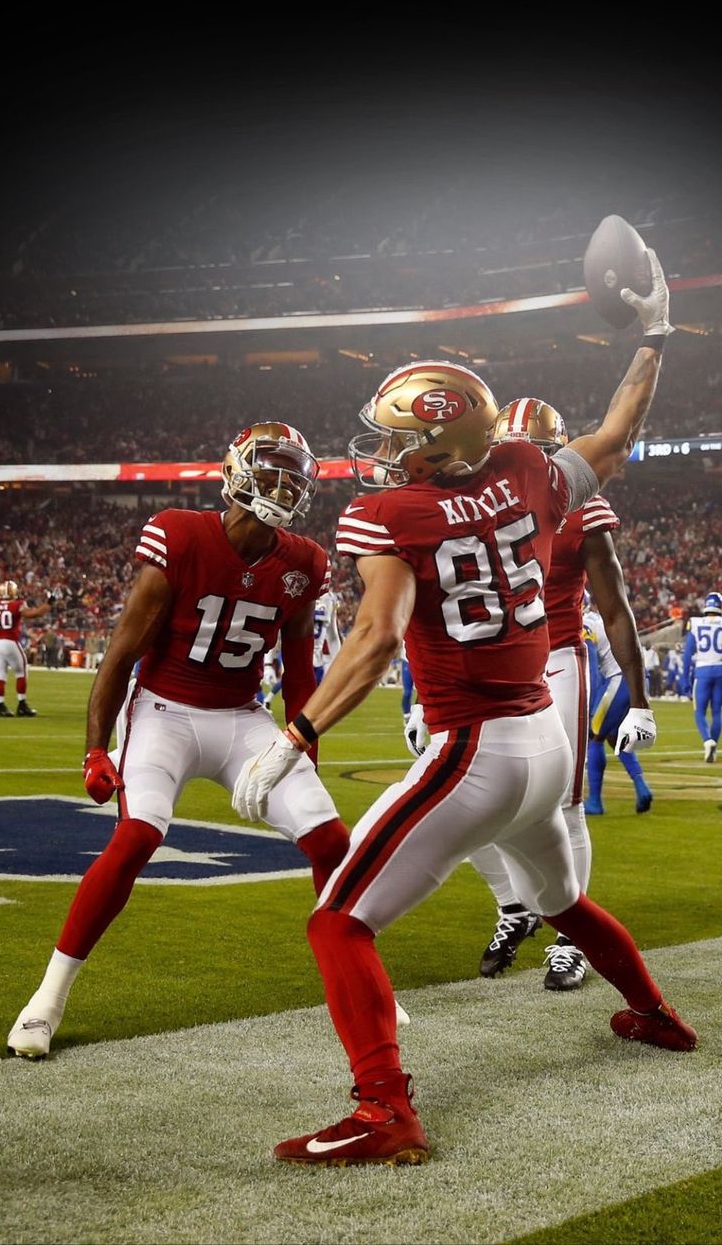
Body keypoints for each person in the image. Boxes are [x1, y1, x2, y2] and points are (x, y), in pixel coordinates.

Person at [233, 253, 696, 1169]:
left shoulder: (387, 513)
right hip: (544, 744)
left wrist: (295, 737)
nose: (381, 451)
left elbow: (372, 640)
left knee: (338, 922)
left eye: (398, 437)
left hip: (474, 750)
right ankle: (654, 1014)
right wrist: (653, 336)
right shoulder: (529, 469)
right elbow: (614, 432)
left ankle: (383, 1113)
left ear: (440, 445)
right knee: (561, 898)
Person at [7, 423, 350, 1059]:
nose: (281, 486)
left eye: (292, 477)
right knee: (138, 834)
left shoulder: (305, 560)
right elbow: (121, 652)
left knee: (331, 838)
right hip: (164, 710)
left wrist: (303, 750)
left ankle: (357, 983)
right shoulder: (180, 532)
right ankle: (47, 1000)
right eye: (269, 471)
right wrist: (94, 748)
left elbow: (301, 672)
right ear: (236, 471)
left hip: (244, 718)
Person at [468, 397, 649, 991]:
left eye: (541, 453)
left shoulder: (582, 507)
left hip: (556, 658)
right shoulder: (476, 506)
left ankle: (572, 939)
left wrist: (640, 699)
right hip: (490, 661)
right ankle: (514, 905)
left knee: (563, 805)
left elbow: (616, 609)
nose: (528, 464)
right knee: (465, 798)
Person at [583, 598, 653, 815]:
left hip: (617, 680)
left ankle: (595, 800)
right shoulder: (604, 618)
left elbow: (593, 666)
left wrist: (590, 702)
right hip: (637, 679)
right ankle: (642, 788)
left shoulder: (586, 622)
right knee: (615, 737)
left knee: (594, 736)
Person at [0, 581, 51, 717]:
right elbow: (34, 614)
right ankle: (22, 705)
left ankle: (1, 705)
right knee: (21, 672)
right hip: (9, 641)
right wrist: (50, 603)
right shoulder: (16, 604)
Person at [682, 591, 722, 762]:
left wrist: (685, 679)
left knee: (699, 712)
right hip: (721, 671)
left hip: (702, 672)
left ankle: (708, 741)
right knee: (717, 712)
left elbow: (688, 654)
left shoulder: (695, 623)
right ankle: (712, 746)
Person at [313, 587, 342, 686]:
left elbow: (332, 636)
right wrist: (268, 663)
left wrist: (337, 663)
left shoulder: (330, 599)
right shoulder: (294, 591)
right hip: (296, 662)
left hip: (315, 666)